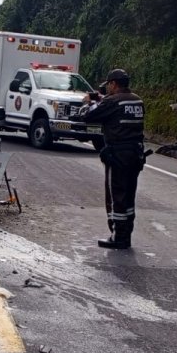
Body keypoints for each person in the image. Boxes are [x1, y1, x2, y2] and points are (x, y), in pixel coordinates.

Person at [71, 68, 146, 249]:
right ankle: (126, 233)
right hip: (135, 154)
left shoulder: (113, 101)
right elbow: (116, 112)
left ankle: (118, 236)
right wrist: (102, 100)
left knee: (116, 195)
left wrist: (90, 102)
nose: (108, 89)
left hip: (118, 155)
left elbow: (88, 116)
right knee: (129, 195)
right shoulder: (137, 100)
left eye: (109, 85)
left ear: (113, 84)